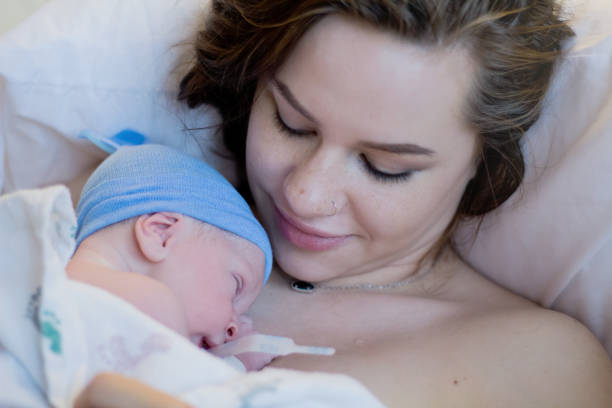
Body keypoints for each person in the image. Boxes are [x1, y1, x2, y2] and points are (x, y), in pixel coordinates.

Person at [75, 0, 612, 407]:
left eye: (386, 166)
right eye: (292, 123)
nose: (306, 195)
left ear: (481, 159)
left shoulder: (536, 365)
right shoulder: (130, 222)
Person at [67, 143, 274, 370]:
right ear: (161, 233)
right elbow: (182, 392)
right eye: (235, 286)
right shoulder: (156, 303)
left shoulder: (55, 272)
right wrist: (238, 364)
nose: (234, 328)